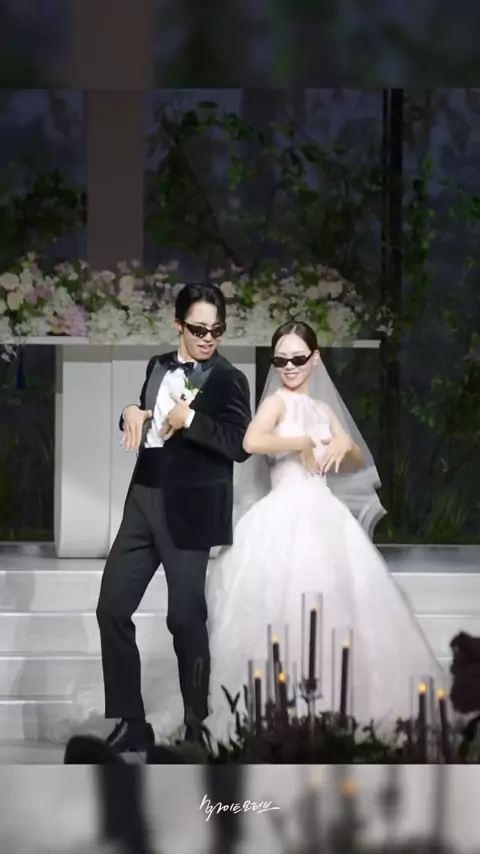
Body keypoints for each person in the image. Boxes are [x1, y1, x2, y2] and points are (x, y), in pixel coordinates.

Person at [204, 320, 446, 742]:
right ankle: (278, 707)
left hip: (324, 511)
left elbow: (354, 460)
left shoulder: (323, 409)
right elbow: (251, 441)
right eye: (281, 360)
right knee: (284, 605)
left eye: (298, 358)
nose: (289, 366)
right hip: (283, 513)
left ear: (314, 359)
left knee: (339, 605)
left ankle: (339, 706)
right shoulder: (276, 403)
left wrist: (342, 446)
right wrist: (299, 443)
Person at [94, 282, 252, 753]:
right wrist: (129, 412)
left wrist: (193, 422)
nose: (208, 338)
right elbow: (146, 417)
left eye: (217, 330)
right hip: (142, 500)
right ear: (178, 325)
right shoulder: (157, 365)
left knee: (185, 618)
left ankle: (195, 726)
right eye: (199, 329)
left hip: (189, 508)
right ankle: (131, 721)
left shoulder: (229, 379)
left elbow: (240, 444)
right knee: (111, 608)